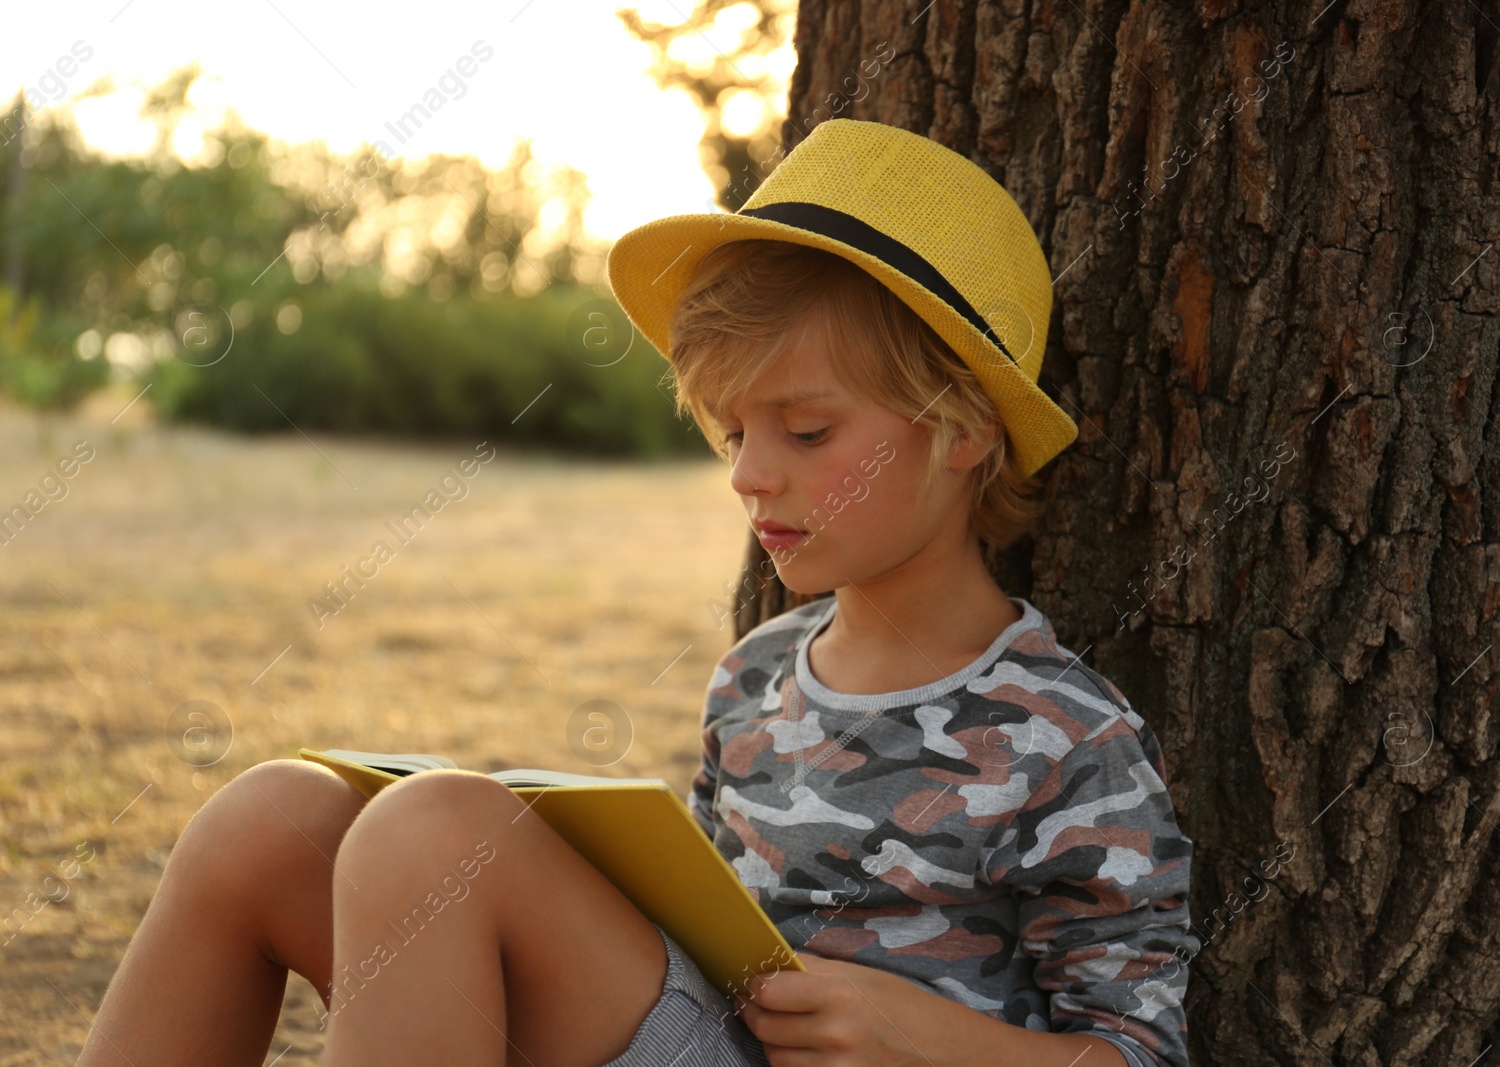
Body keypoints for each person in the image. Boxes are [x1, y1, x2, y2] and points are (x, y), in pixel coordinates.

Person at [75, 117, 1198, 1067]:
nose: (751, 473)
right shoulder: (758, 674)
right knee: (270, 815)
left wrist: (912, 1028)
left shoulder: (1069, 737)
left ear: (960, 432)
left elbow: (1137, 1050)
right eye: (734, 431)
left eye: (806, 430)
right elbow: (699, 952)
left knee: (434, 829)